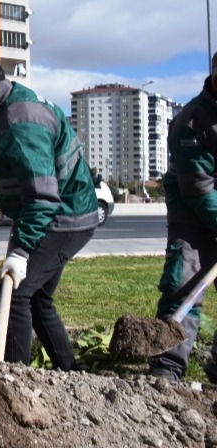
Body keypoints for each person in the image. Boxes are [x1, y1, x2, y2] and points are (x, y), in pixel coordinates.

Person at [0, 49, 97, 371]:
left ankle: (14, 379)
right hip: (44, 214)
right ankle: (70, 373)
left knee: (13, 295)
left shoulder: (20, 119)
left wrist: (22, 250)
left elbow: (42, 196)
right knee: (37, 298)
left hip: (62, 216)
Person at [147, 53, 217, 383]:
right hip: (191, 209)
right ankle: (168, 365)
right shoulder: (192, 121)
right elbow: (200, 191)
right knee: (184, 279)